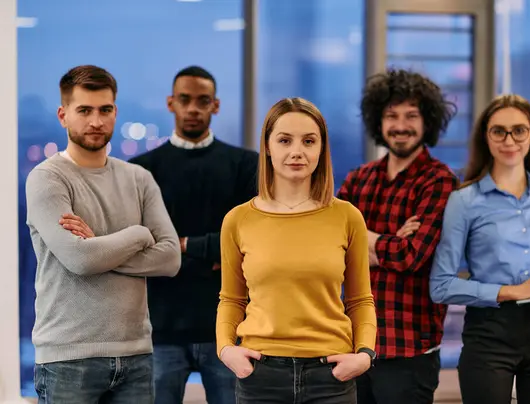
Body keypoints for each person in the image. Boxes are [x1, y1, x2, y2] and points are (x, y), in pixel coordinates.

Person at [25, 65, 181, 404]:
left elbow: (170, 258)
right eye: (84, 110)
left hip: (137, 354)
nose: (96, 121)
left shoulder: (139, 178)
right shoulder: (47, 178)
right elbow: (80, 259)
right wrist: (138, 233)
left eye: (105, 110)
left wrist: (99, 248)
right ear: (63, 115)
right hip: (67, 358)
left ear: (115, 112)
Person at [429, 94, 530, 404]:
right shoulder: (464, 201)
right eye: (498, 131)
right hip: (490, 335)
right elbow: (441, 286)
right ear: (486, 138)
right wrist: (512, 290)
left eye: (519, 130)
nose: (509, 140)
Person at [216, 97, 377, 404]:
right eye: (285, 140)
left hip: (330, 376)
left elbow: (360, 300)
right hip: (260, 376)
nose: (297, 152)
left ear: (321, 148)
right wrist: (225, 349)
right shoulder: (238, 220)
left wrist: (365, 355)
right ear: (267, 147)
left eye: (308, 141)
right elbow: (231, 299)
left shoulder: (346, 217)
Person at [129, 66, 257, 404]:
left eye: (203, 101)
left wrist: (179, 247)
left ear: (216, 106)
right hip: (161, 329)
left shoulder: (246, 165)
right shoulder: (142, 170)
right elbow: (140, 248)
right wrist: (214, 254)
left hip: (228, 331)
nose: (193, 109)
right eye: (185, 100)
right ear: (171, 103)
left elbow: (249, 242)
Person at [337, 69, 459, 404]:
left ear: (427, 121)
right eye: (391, 116)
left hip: (410, 349)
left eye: (411, 116)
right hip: (351, 344)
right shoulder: (358, 179)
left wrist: (361, 238)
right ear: (378, 121)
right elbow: (331, 247)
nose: (400, 125)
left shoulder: (440, 181)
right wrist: (390, 240)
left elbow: (412, 256)